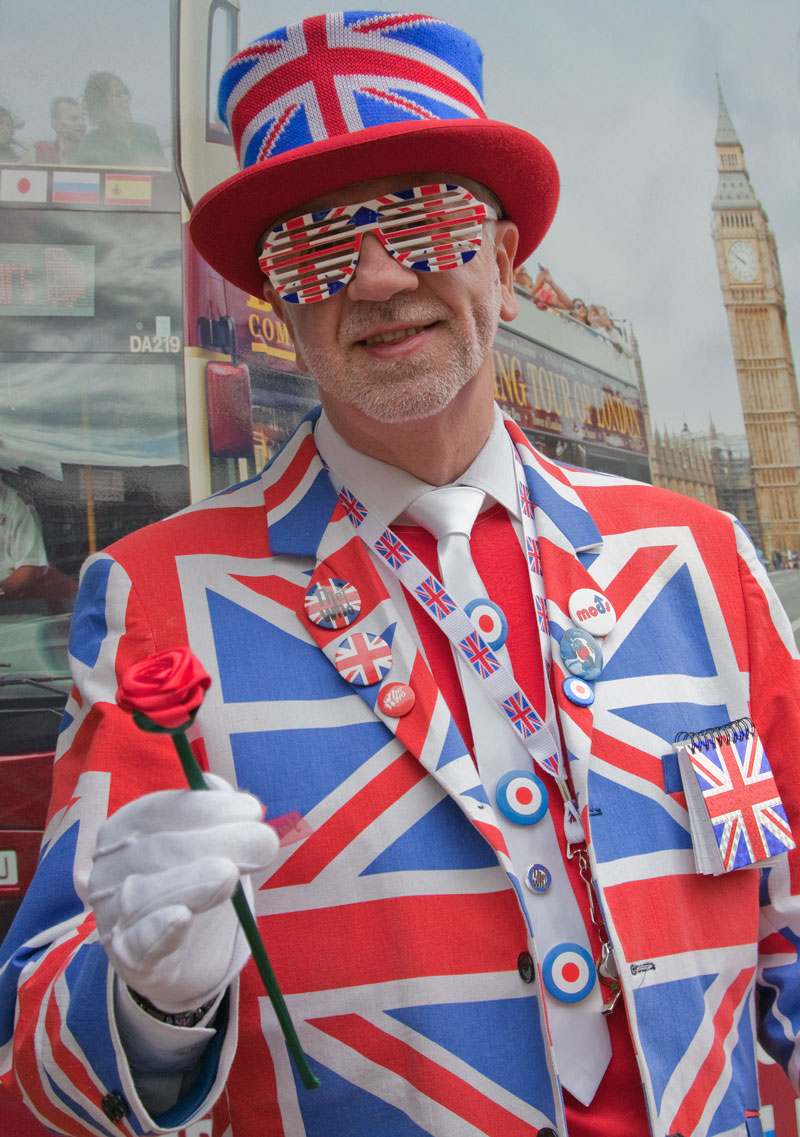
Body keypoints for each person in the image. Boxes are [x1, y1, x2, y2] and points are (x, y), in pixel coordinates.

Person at [2, 12, 800, 1137]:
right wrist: (147, 1008)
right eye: (315, 247)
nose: (376, 277)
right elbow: (29, 1060)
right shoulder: (157, 598)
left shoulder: (697, 559)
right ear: (279, 301)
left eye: (422, 220)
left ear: (505, 265)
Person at [75, 72, 167, 167]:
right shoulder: (91, 143)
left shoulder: (148, 133)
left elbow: (163, 172)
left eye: (125, 93)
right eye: (117, 95)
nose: (126, 98)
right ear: (100, 103)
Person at [34, 96, 86, 164]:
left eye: (83, 119)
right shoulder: (40, 151)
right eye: (73, 118)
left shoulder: (94, 155)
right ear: (56, 125)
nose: (81, 123)